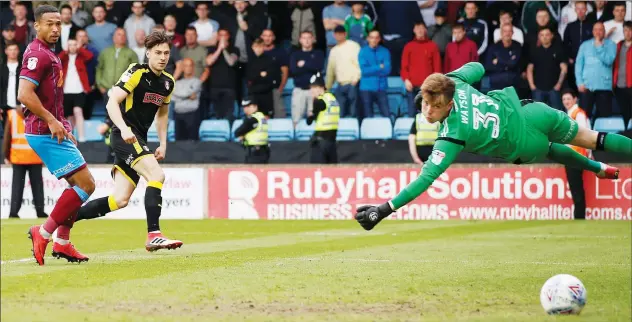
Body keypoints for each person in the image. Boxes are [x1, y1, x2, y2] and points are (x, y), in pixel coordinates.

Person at [354, 62, 630, 231]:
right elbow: (479, 67)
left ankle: (596, 167)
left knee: (546, 149)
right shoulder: (457, 85)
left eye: (435, 107)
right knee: (594, 138)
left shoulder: (451, 134)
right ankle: (596, 165)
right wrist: (451, 79)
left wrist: (385, 209)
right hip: (531, 112)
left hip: (524, 144)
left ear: (448, 105)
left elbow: (426, 179)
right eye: (425, 104)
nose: (427, 112)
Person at [74, 31, 183, 252]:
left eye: (166, 53)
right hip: (124, 135)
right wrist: (123, 129)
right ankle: (154, 234)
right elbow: (111, 102)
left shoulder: (168, 82)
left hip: (138, 138)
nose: (163, 57)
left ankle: (59, 220)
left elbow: (162, 114)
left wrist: (162, 143)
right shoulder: (136, 71)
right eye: (158, 52)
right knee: (157, 175)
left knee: (120, 199)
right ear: (148, 53)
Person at [19, 5, 96, 265]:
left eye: (58, 24)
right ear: (36, 26)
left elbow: (51, 97)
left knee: (78, 186)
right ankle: (43, 233)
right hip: (43, 130)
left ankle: (62, 243)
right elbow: (24, 95)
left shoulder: (50, 54)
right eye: (49, 24)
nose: (54, 28)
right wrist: (52, 121)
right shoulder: (37, 55)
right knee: (87, 185)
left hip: (52, 128)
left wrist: (63, 123)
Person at [2, 108, 47, 219]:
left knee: (17, 186)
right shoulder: (38, 112)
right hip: (35, 156)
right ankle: (40, 211)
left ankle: (13, 212)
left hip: (18, 157)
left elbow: (7, 137)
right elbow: (44, 135)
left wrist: (6, 155)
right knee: (37, 186)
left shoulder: (12, 114)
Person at [561, 89, 591, 220]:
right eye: (564, 99)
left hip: (576, 155)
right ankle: (579, 215)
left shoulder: (578, 114)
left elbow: (583, 135)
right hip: (572, 155)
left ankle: (579, 216)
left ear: (575, 99)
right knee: (575, 187)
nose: (566, 101)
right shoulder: (570, 114)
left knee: (576, 187)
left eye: (568, 98)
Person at [307, 73, 340, 164]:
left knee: (317, 172)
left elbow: (309, 121)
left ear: (321, 87)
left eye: (313, 87)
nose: (311, 91)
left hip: (321, 142)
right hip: (332, 141)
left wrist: (311, 114)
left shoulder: (319, 100)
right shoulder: (332, 98)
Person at [234, 97, 270, 164]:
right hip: (264, 150)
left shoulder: (251, 119)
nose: (246, 109)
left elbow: (237, 132)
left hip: (254, 153)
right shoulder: (262, 116)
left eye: (248, 106)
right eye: (244, 107)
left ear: (255, 106)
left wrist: (242, 137)